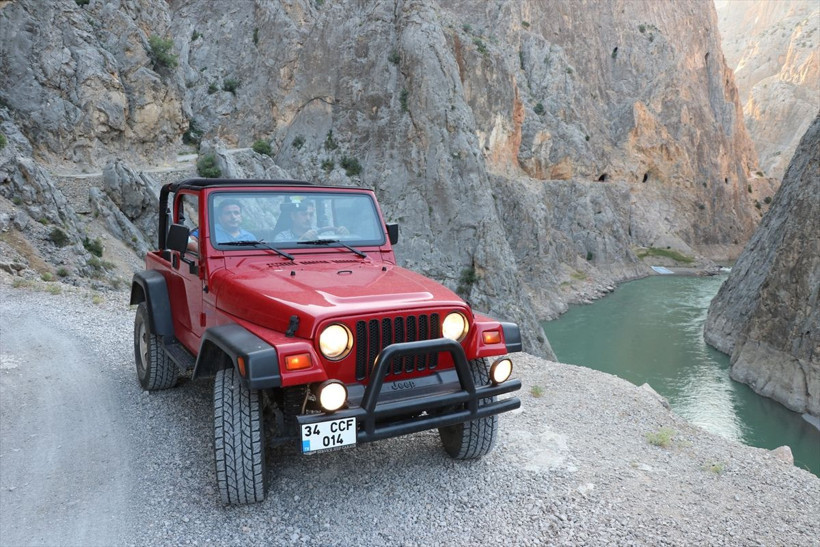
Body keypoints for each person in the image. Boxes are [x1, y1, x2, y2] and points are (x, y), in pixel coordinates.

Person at [188, 199, 257, 250]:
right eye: (228, 213)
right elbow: (188, 240)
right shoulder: (209, 230)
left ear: (241, 217)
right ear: (220, 218)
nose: (233, 217)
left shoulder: (249, 237)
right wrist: (202, 252)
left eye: (236, 213)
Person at [274, 200, 348, 241]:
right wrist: (302, 240)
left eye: (311, 214)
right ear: (293, 216)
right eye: (304, 214)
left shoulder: (322, 233)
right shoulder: (282, 237)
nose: (308, 218)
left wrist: (344, 235)